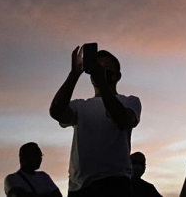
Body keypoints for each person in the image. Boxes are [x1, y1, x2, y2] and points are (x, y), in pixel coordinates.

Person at [50, 47, 141, 197]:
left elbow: (122, 120)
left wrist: (103, 84)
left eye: (106, 68)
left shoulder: (129, 101)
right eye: (97, 68)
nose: (101, 71)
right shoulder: (79, 106)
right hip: (80, 188)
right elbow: (56, 111)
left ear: (118, 75)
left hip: (115, 185)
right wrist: (74, 74)